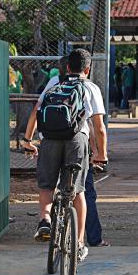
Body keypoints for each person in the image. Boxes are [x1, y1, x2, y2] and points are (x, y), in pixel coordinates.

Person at [21, 49, 108, 262]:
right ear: (87, 69)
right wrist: (101, 155)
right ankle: (78, 244)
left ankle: (45, 220)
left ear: (67, 67)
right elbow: (99, 127)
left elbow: (36, 112)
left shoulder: (54, 83)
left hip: (49, 139)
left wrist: (28, 141)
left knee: (47, 186)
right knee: (78, 191)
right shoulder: (90, 88)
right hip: (76, 141)